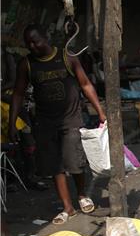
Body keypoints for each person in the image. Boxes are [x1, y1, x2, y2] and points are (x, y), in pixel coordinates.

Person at [8, 24, 107, 224]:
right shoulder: (26, 64)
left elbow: (85, 84)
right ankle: (67, 206)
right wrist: (12, 123)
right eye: (29, 44)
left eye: (36, 41)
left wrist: (101, 112)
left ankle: (81, 195)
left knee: (74, 161)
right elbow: (18, 93)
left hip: (70, 118)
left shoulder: (67, 58)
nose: (33, 46)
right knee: (54, 165)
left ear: (46, 38)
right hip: (44, 122)